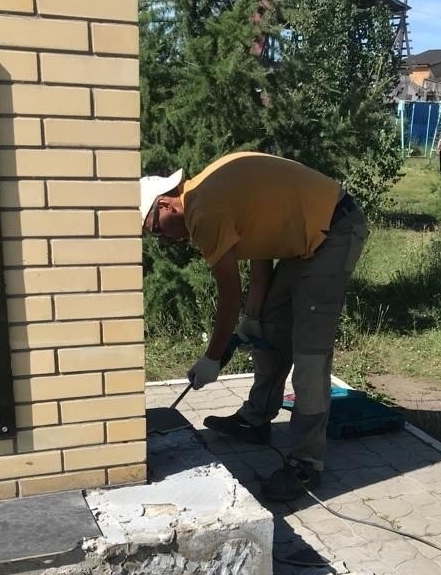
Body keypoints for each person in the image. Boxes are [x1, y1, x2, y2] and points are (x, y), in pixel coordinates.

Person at [141, 152, 368, 501]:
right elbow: (260, 255)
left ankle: (307, 463)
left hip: (333, 229)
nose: (166, 241)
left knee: (309, 352)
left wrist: (212, 358)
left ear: (166, 204)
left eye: (157, 230)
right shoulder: (209, 193)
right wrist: (253, 319)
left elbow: (229, 295)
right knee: (270, 325)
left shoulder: (204, 212)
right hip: (307, 237)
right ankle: (257, 419)